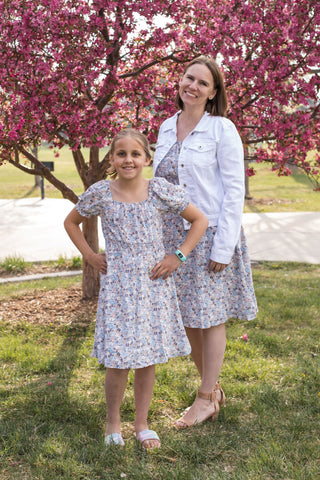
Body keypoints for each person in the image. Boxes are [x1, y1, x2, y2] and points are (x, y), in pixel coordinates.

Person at [64, 128, 208, 449]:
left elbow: (199, 220)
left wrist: (178, 256)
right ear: (112, 158)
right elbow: (70, 222)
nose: (128, 160)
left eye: (135, 154)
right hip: (118, 288)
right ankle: (112, 422)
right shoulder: (101, 192)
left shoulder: (158, 190)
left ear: (146, 158)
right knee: (117, 358)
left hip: (153, 287)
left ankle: (142, 424)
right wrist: (90, 255)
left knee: (146, 358)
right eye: (121, 154)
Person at [153, 55, 258, 428]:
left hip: (210, 235)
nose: (192, 86)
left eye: (202, 82)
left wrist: (223, 246)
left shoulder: (222, 129)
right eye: (188, 78)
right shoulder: (166, 127)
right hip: (173, 237)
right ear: (179, 82)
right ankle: (211, 390)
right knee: (187, 318)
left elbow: (234, 191)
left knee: (210, 318)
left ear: (213, 92)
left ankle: (204, 398)